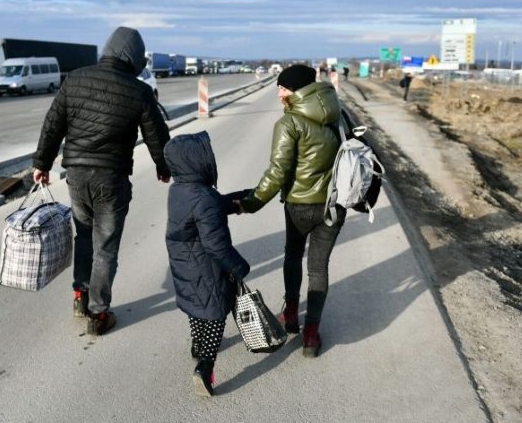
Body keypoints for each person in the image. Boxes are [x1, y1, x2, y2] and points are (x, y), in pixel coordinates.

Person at [32, 26, 171, 336]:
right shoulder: (139, 91)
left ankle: (79, 296)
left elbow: (53, 124)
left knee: (84, 236)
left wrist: (41, 163)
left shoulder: (76, 78)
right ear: (134, 58)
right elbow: (156, 136)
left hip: (77, 176)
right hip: (112, 179)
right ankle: (98, 313)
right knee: (105, 247)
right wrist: (164, 166)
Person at [239, 64, 346, 358]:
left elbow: (277, 172)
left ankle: (290, 315)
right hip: (334, 204)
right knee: (318, 267)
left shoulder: (290, 124)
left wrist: (251, 203)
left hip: (300, 205)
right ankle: (312, 334)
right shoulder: (339, 113)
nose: (279, 94)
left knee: (293, 255)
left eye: (282, 89)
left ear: (295, 91)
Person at [164, 131, 250, 397]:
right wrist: (240, 267)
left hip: (184, 265)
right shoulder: (205, 198)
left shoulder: (179, 190)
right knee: (214, 316)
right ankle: (205, 366)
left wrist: (238, 200)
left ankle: (197, 346)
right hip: (206, 267)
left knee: (195, 306)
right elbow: (216, 245)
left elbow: (205, 208)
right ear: (197, 161)